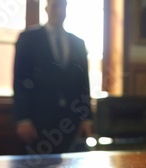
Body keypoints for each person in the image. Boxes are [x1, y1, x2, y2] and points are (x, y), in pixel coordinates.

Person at [12, 0, 92, 154]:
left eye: (62, 6)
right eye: (55, 6)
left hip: (70, 122)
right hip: (38, 121)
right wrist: (23, 118)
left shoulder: (78, 43)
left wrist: (86, 118)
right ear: (46, 8)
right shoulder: (28, 38)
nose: (59, 11)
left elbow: (84, 84)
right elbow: (20, 81)